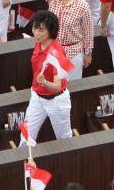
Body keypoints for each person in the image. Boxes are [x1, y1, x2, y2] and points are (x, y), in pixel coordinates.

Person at [20, 0, 94, 80]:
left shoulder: (82, 6)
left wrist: (88, 53)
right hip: (53, 50)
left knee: (72, 87)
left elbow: (88, 31)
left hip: (73, 53)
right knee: (52, 84)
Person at [20, 10, 73, 146]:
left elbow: (56, 87)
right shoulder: (38, 43)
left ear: (51, 31)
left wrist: (44, 82)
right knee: (25, 137)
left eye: (41, 30)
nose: (36, 33)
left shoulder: (57, 53)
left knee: (64, 139)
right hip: (37, 97)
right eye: (34, 28)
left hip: (57, 101)